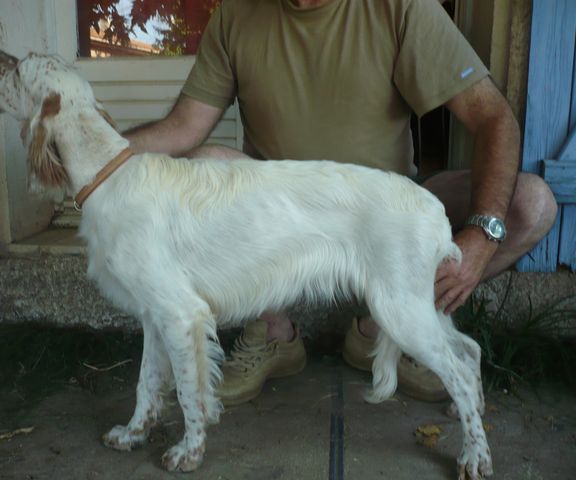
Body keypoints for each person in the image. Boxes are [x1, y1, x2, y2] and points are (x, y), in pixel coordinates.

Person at [125, 0, 557, 405]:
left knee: (531, 203)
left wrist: (483, 234)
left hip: (385, 212)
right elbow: (183, 128)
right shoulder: (236, 13)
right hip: (285, 216)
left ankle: (386, 327)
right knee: (204, 164)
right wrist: (99, 150)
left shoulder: (400, 7)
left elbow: (493, 116)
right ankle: (273, 328)